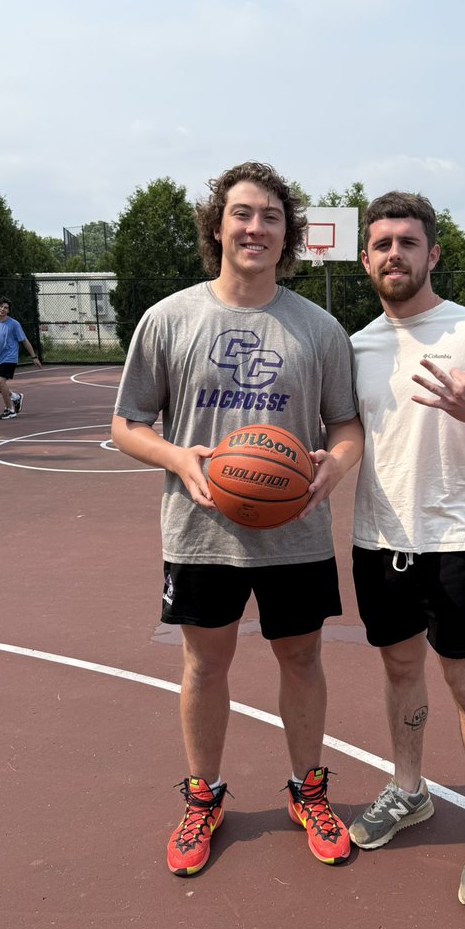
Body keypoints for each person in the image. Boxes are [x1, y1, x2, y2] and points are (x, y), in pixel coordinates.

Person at [111, 162, 363, 877]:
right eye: (243, 214)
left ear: (290, 236)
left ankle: (307, 791)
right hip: (201, 531)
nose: (256, 228)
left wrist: (333, 468)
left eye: (271, 217)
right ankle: (204, 797)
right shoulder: (170, 319)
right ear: (217, 226)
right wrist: (179, 459)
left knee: (304, 659)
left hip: (295, 531)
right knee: (204, 663)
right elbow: (128, 424)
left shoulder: (319, 329)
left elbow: (347, 427)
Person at [348, 191, 465, 910]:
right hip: (376, 540)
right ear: (366, 258)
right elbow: (348, 441)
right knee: (400, 674)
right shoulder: (355, 346)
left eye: (408, 241)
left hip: (452, 542)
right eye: (383, 243)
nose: (395, 253)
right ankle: (409, 789)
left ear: (433, 253)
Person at [0, 298, 41, 419]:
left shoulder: (14, 324)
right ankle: (15, 397)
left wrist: (34, 356)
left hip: (10, 357)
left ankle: (10, 410)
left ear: (8, 311)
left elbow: (24, 340)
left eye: (6, 307)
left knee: (1, 382)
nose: (3, 309)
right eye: (0, 306)